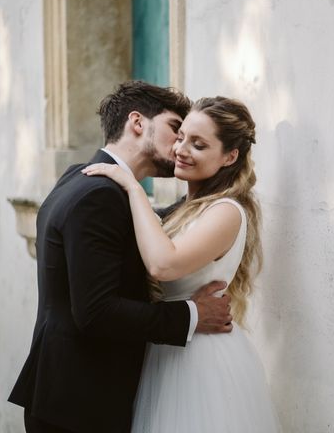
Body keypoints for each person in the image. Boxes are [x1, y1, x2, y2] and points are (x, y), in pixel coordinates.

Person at [9, 81, 234, 433]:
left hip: (67, 396)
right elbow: (96, 313)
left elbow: (155, 224)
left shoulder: (81, 179)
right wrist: (192, 314)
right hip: (80, 405)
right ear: (138, 123)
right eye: (176, 129)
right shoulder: (100, 196)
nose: (179, 144)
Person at [82, 96, 280, 432]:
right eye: (181, 136)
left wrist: (132, 185)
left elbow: (164, 265)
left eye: (199, 145)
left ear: (230, 156)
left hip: (200, 360)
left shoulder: (225, 211)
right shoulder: (183, 209)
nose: (181, 149)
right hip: (166, 350)